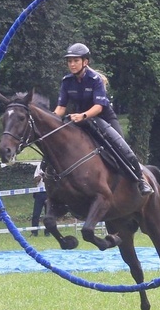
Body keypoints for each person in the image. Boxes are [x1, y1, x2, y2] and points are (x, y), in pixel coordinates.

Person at [54, 43, 153, 196]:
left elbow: (98, 107)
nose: (72, 64)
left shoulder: (95, 80)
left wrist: (83, 115)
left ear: (85, 62)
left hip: (103, 119)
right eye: (69, 61)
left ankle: (141, 180)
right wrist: (52, 122)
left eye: (75, 60)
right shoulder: (66, 81)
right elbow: (61, 107)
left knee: (123, 149)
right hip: (81, 120)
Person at [30, 161, 48, 236]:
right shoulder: (39, 165)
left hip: (49, 192)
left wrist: (46, 176)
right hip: (39, 193)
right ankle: (34, 232)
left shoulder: (52, 164)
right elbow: (35, 180)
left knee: (48, 214)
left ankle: (48, 232)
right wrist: (40, 176)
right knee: (36, 214)